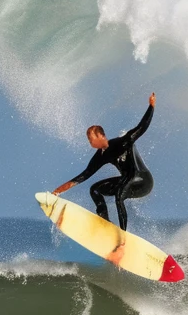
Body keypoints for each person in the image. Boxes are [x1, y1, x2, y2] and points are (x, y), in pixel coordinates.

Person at [52, 93, 156, 231]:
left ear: (101, 136)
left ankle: (124, 235)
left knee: (119, 194)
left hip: (143, 180)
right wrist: (57, 192)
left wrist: (151, 106)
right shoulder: (101, 156)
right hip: (128, 181)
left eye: (91, 139)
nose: (90, 142)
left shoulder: (123, 142)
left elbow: (141, 127)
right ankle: (105, 221)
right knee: (95, 189)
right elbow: (84, 175)